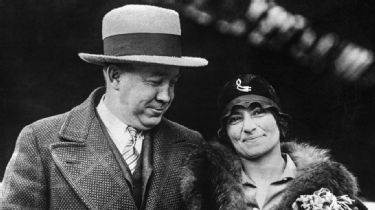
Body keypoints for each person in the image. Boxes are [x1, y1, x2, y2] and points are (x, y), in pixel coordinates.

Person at [0, 4, 208, 209]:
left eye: (173, 83)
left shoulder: (190, 144)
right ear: (115, 77)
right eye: (154, 82)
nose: (166, 96)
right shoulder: (40, 140)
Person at [180, 74, 367, 210]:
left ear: (280, 121)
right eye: (235, 119)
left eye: (258, 112)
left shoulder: (329, 191)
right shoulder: (205, 193)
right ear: (226, 133)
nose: (249, 126)